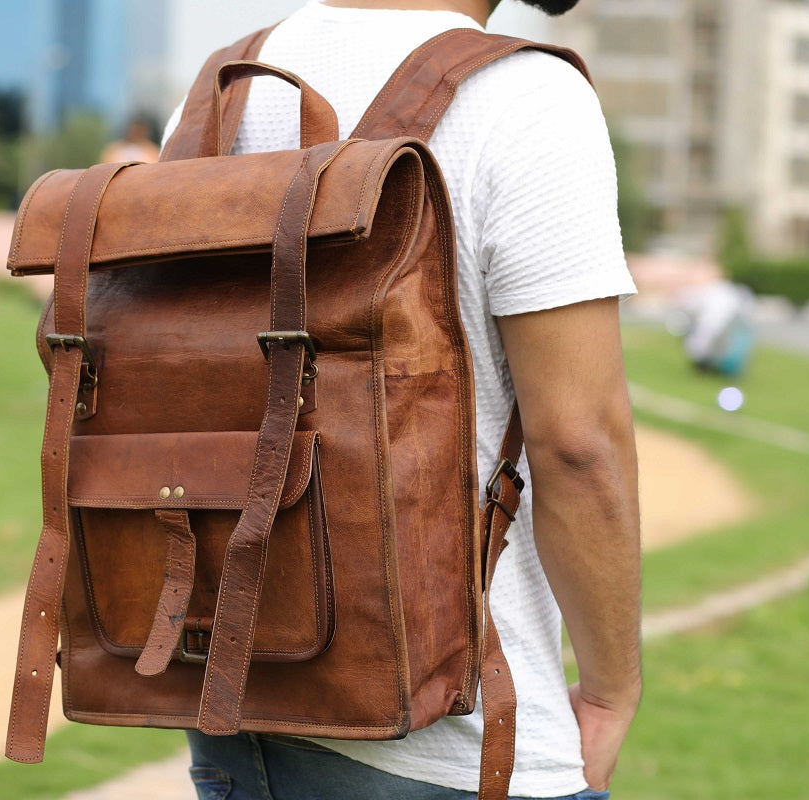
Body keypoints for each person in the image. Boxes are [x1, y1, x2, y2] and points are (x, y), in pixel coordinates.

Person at [165, 1, 642, 798]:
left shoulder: (225, 85)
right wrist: (609, 688)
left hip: (238, 719)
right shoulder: (528, 94)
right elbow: (579, 443)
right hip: (452, 750)